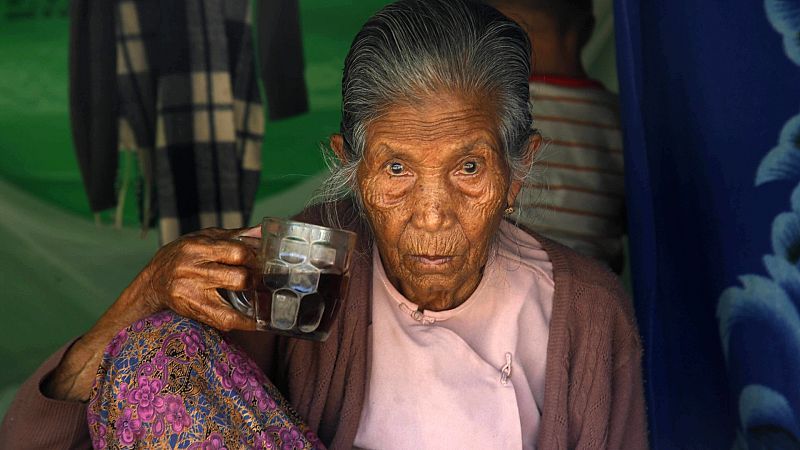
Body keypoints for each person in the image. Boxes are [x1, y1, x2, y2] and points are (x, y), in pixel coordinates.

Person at [0, 0, 647, 448]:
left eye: (469, 167)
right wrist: (138, 302)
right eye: (395, 169)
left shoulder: (584, 313)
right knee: (150, 355)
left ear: (518, 170)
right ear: (351, 167)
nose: (430, 213)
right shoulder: (307, 263)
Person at [488, 0, 627, 273]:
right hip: (589, 299)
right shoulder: (620, 120)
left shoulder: (488, 109)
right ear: (588, 28)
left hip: (498, 296)